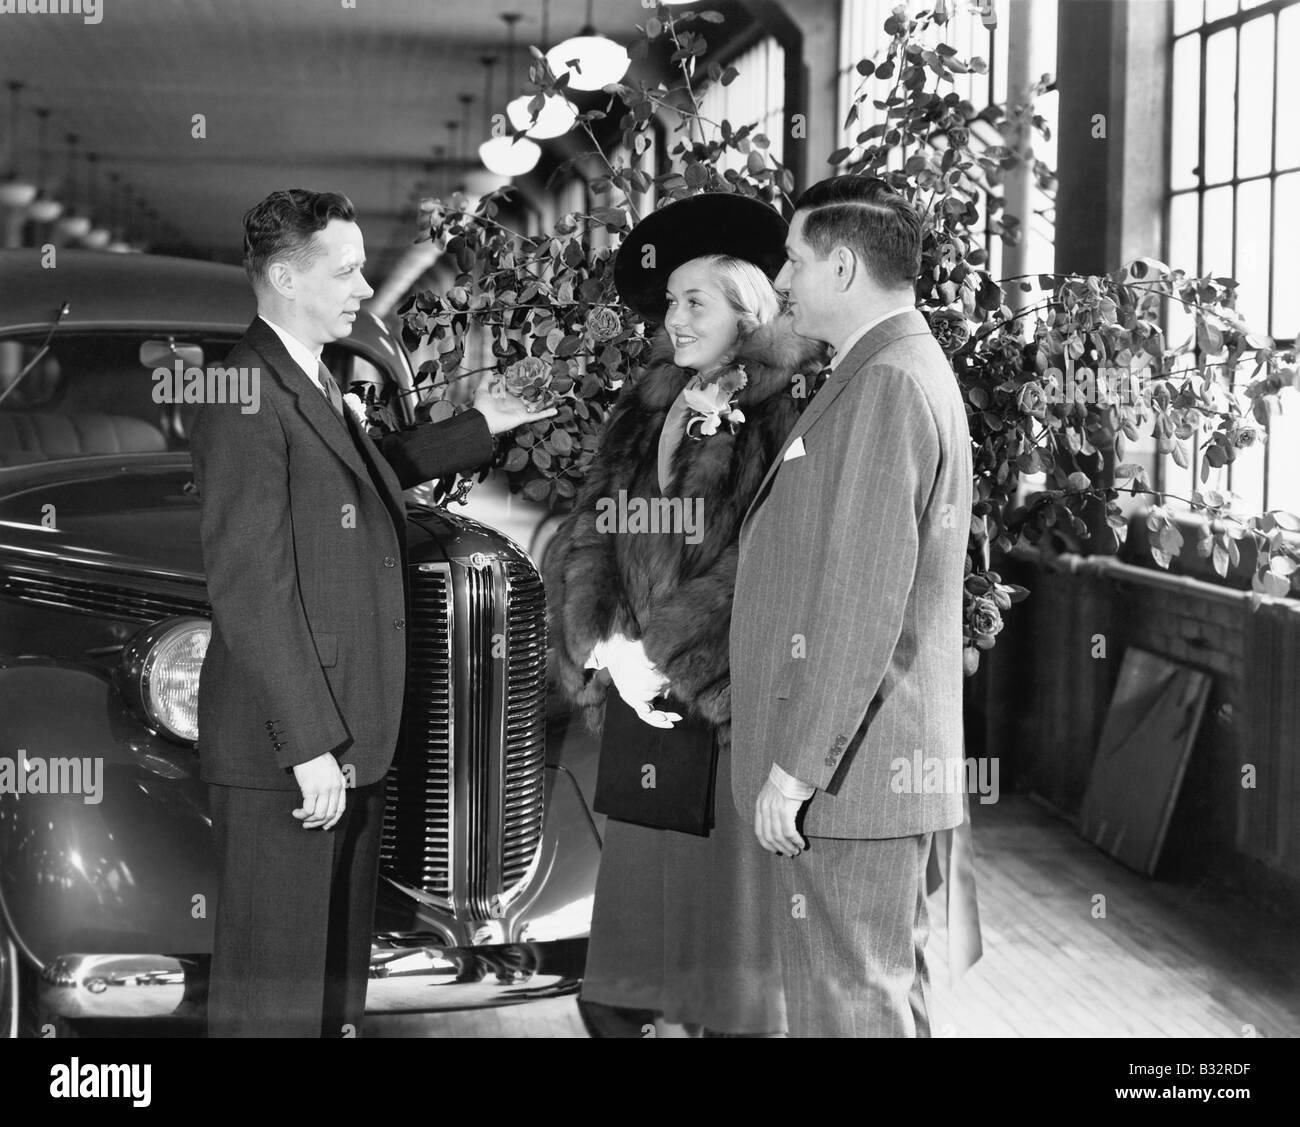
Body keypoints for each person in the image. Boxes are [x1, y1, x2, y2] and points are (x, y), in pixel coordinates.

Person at [191, 188, 550, 1037]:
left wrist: (480, 422)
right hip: (294, 746)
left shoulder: (305, 379)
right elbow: (252, 585)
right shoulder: (246, 392)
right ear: (283, 276)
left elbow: (363, 476)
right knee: (272, 995)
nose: (362, 288)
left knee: (331, 982)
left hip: (352, 735)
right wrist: (308, 741)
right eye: (345, 270)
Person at [547, 193, 825, 1037]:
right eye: (668, 302)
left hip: (732, 712)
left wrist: (667, 647)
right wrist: (607, 648)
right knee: (631, 978)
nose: (672, 318)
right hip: (644, 709)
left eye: (693, 300)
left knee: (728, 975)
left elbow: (777, 558)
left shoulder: (795, 406)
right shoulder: (647, 401)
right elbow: (592, 525)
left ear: (748, 306)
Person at [729, 176, 974, 1037]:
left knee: (847, 1005)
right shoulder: (891, 367)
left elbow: (861, 601)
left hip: (852, 776)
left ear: (841, 265)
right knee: (872, 994)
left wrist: (796, 769)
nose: (783, 279)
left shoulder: (886, 384)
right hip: (871, 770)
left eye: (792, 259)